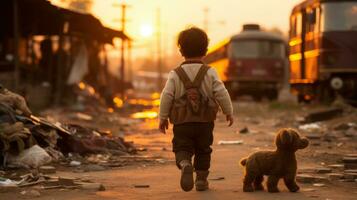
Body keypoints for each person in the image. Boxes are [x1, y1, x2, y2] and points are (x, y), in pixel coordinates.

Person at [158, 27, 234, 192]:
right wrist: (228, 111)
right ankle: (201, 180)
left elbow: (166, 96)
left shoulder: (175, 74)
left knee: (182, 148)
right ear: (205, 50)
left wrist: (162, 117)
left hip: (182, 122)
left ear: (181, 50)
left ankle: (185, 164)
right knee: (203, 150)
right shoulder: (211, 72)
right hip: (204, 122)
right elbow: (221, 92)